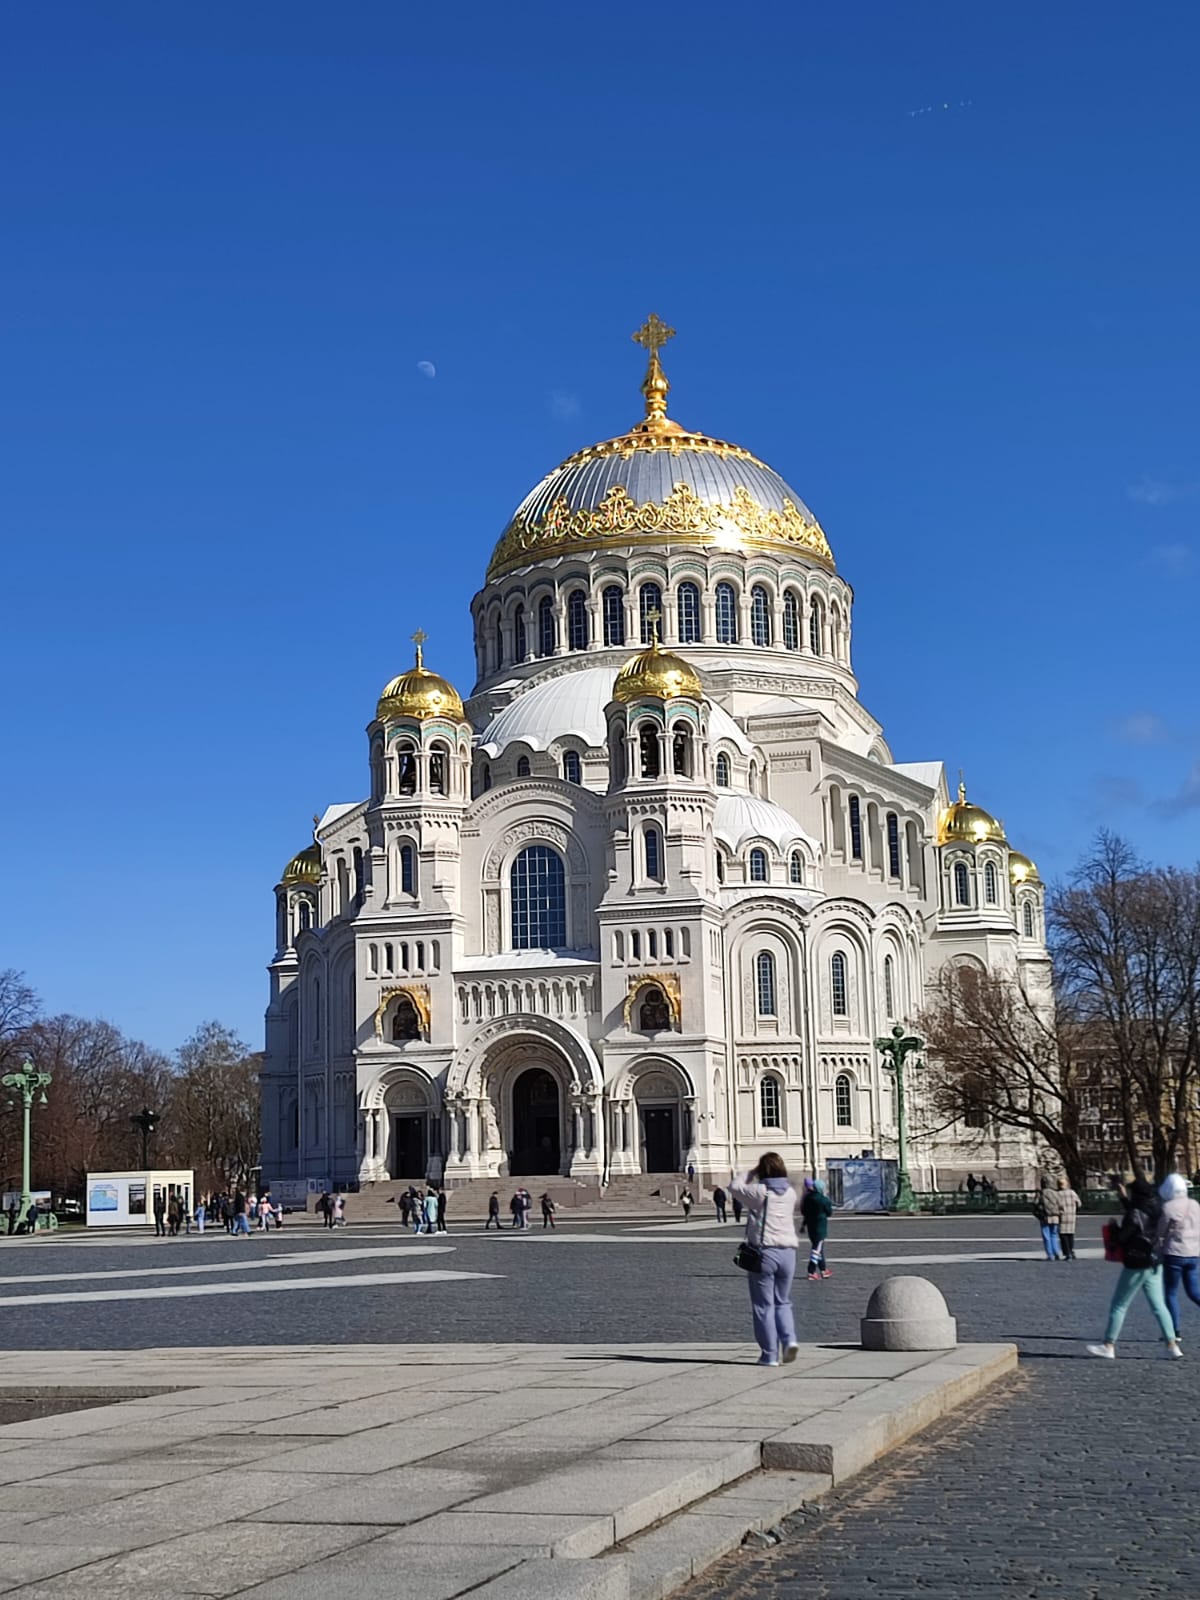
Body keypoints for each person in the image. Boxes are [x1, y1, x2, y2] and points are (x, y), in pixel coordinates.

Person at [1087, 1178, 1181, 1359]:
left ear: (1136, 1194)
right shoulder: (1157, 1207)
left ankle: (1109, 1344)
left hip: (1136, 1262)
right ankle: (1172, 1345)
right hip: (1154, 1260)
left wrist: (1113, 1229)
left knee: (1119, 1305)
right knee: (1159, 1305)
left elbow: (1123, 1236)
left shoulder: (1135, 1212)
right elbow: (1137, 1214)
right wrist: (1123, 1198)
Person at [731, 1153, 800, 1367]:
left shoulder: (760, 1192)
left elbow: (734, 1187)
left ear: (763, 1171)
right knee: (783, 1302)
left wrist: (750, 1173)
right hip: (788, 1253)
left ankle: (769, 1354)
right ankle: (789, 1345)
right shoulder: (790, 1192)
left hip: (765, 1253)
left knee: (763, 1306)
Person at [1157, 1173, 1200, 1340]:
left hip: (1174, 1253)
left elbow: (1161, 1232)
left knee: (1171, 1293)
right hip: (1194, 1253)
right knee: (1194, 1291)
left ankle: (1174, 1331)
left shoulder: (1168, 1208)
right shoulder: (1195, 1205)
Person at [800, 1177, 833, 1280]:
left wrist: (803, 1224)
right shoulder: (823, 1200)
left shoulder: (807, 1198)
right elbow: (829, 1212)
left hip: (811, 1227)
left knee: (819, 1249)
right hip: (820, 1227)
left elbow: (804, 1212)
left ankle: (823, 1270)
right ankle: (811, 1271)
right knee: (816, 1249)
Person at [1034, 1178, 1062, 1261]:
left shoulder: (1041, 1193)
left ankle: (1050, 1254)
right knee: (1054, 1234)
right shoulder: (1055, 1193)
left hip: (1045, 1216)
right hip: (1055, 1216)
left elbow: (1035, 1203)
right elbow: (1060, 1204)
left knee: (1046, 1235)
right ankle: (1056, 1252)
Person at [1056, 1177, 1081, 1260]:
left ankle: (1067, 1253)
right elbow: (1079, 1203)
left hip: (1062, 1216)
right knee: (1070, 1235)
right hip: (1071, 1216)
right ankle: (1071, 1250)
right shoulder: (1072, 1192)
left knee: (1063, 1235)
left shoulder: (1058, 1194)